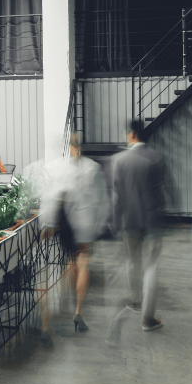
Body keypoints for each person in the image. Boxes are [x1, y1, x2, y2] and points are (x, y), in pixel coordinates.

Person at [41, 133, 109, 337]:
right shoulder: (93, 168)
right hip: (86, 223)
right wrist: (99, 225)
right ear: (82, 146)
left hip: (68, 225)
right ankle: (79, 311)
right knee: (84, 263)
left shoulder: (59, 168)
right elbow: (102, 200)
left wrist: (50, 225)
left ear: (68, 146)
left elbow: (53, 197)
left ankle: (70, 297)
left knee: (71, 261)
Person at [111, 119, 167, 332]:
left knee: (132, 262)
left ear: (132, 135)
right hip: (152, 220)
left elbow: (117, 197)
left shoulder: (119, 160)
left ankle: (135, 301)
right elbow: (162, 190)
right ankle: (148, 319)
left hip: (129, 221)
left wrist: (116, 223)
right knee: (151, 267)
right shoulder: (157, 157)